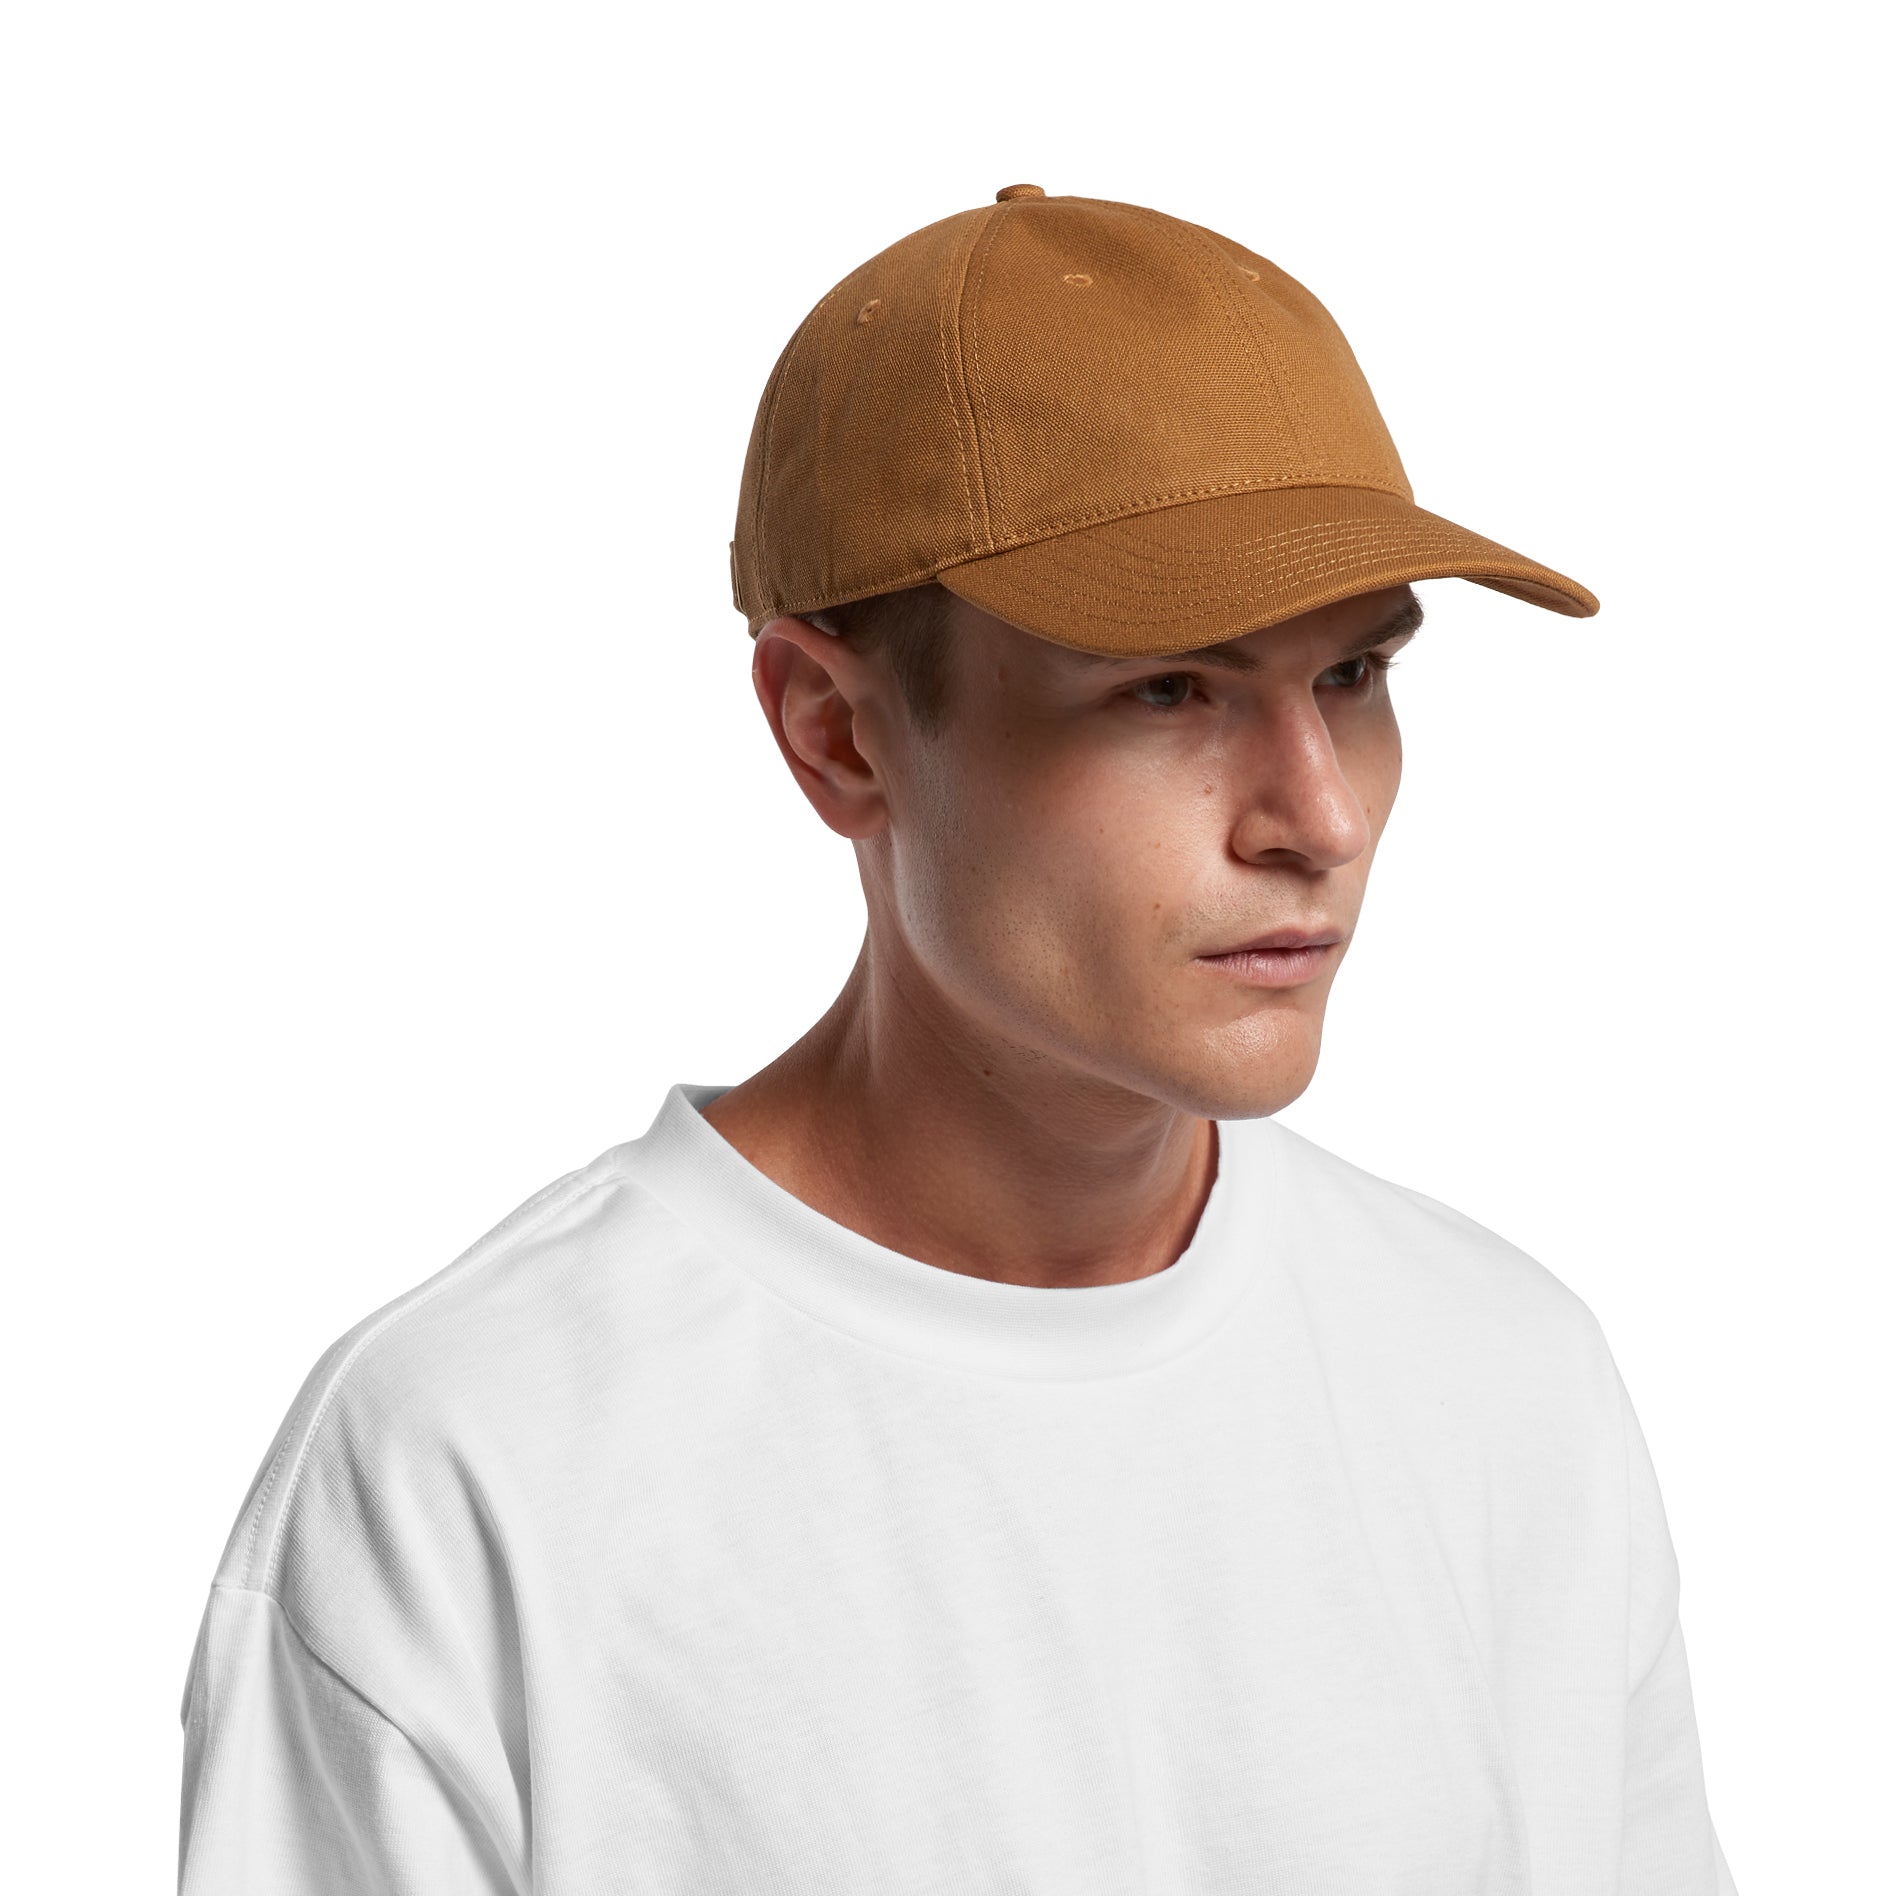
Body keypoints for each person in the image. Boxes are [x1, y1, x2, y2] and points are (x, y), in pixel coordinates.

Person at [178, 183, 1738, 1894]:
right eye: (1171, 688)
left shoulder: (1504, 1378)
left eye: (1354, 678)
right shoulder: (472, 1462)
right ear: (836, 735)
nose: (1319, 817)